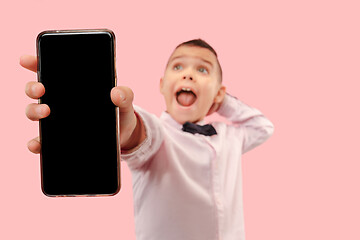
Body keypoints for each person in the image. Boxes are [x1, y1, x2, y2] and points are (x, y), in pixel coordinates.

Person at [22, 39, 274, 240]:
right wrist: (124, 126)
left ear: (219, 93)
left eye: (202, 69)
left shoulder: (231, 135)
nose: (188, 75)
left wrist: (222, 100)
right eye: (178, 67)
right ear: (163, 86)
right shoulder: (160, 134)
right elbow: (142, 134)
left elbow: (263, 127)